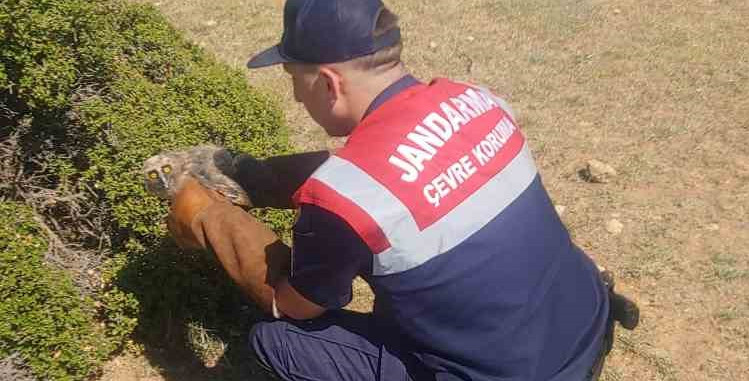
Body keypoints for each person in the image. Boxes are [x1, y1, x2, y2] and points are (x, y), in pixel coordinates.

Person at [166, 0, 617, 379]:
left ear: (328, 82)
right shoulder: (476, 100)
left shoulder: (343, 201)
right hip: (586, 325)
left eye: (293, 80)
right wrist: (253, 177)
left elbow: (292, 306)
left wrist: (208, 215)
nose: (298, 98)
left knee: (278, 340)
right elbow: (379, 171)